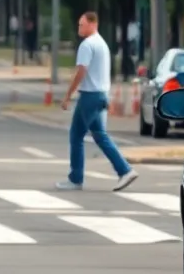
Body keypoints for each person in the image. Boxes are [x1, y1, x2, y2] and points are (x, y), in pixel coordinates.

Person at [56, 11, 138, 191]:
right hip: (100, 94)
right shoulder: (102, 44)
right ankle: (124, 170)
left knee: (76, 135)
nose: (79, 27)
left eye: (82, 24)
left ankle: (77, 178)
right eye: (79, 24)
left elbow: (81, 71)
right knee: (99, 135)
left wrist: (68, 95)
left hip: (89, 95)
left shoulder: (87, 45)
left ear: (93, 24)